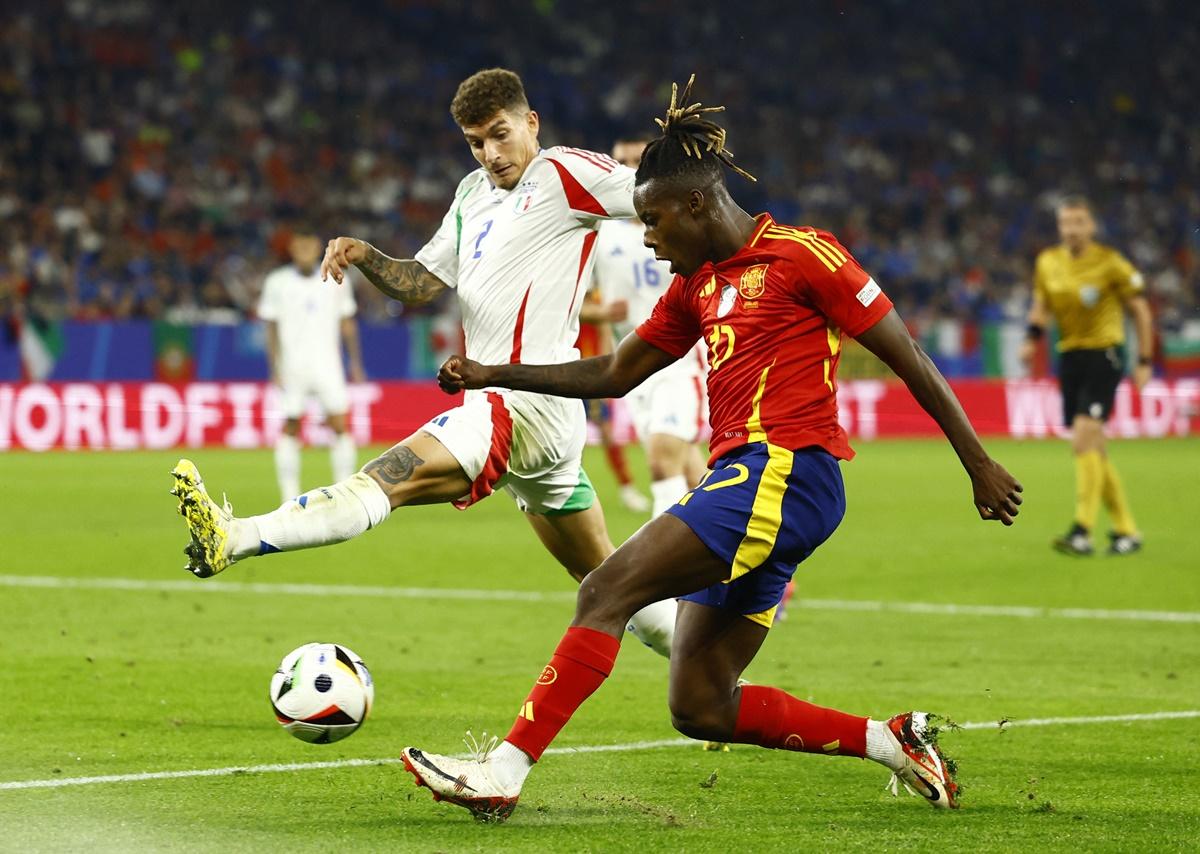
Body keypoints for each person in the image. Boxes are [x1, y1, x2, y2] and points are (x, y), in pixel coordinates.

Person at [400, 76, 1023, 822]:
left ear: (696, 204)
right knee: (700, 704)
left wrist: (978, 463)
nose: (650, 241)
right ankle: (893, 742)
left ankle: (502, 770)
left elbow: (909, 354)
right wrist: (494, 371)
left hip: (787, 471)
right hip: (751, 484)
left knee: (604, 592)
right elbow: (614, 372)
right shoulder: (696, 288)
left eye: (655, 223)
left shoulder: (803, 255)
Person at [169, 68, 677, 657]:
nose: (490, 153)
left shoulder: (566, 174)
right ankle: (715, 685)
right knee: (608, 582)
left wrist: (715, 241)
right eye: (475, 142)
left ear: (531, 122)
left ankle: (234, 537)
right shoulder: (471, 195)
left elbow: (658, 194)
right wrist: (366, 255)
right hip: (519, 409)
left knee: (388, 477)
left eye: (500, 134)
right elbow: (421, 281)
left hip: (522, 403)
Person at [1021, 196, 1153, 557]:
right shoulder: (1048, 262)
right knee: (1093, 445)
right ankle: (1127, 530)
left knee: (1082, 440)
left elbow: (1140, 309)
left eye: (1079, 222)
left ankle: (1082, 529)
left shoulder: (1110, 263)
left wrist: (1144, 359)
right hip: (1071, 356)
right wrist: (1031, 340)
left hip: (1105, 354)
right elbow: (1041, 304)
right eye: (1066, 222)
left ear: (1091, 226)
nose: (1072, 229)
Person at [587, 136, 709, 519]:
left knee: (661, 459)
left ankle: (669, 572)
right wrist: (601, 313)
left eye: (637, 160)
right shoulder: (601, 234)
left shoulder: (683, 225)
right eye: (620, 161)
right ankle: (747, 550)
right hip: (633, 365)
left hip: (680, 360)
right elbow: (568, 300)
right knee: (690, 467)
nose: (628, 169)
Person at [258, 230, 365, 502]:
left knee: (339, 424)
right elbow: (270, 326)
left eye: (309, 245)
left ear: (318, 247)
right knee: (291, 425)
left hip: (328, 365)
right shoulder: (277, 282)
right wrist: (274, 367)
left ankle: (344, 492)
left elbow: (347, 323)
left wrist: (355, 363)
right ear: (292, 248)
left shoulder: (338, 279)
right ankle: (289, 495)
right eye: (299, 245)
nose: (305, 250)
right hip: (293, 367)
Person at [575, 292, 651, 512]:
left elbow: (604, 334)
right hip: (567, 369)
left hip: (589, 374)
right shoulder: (574, 296)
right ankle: (568, 488)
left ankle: (627, 489)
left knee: (608, 434)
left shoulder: (598, 298)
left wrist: (606, 372)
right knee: (569, 438)